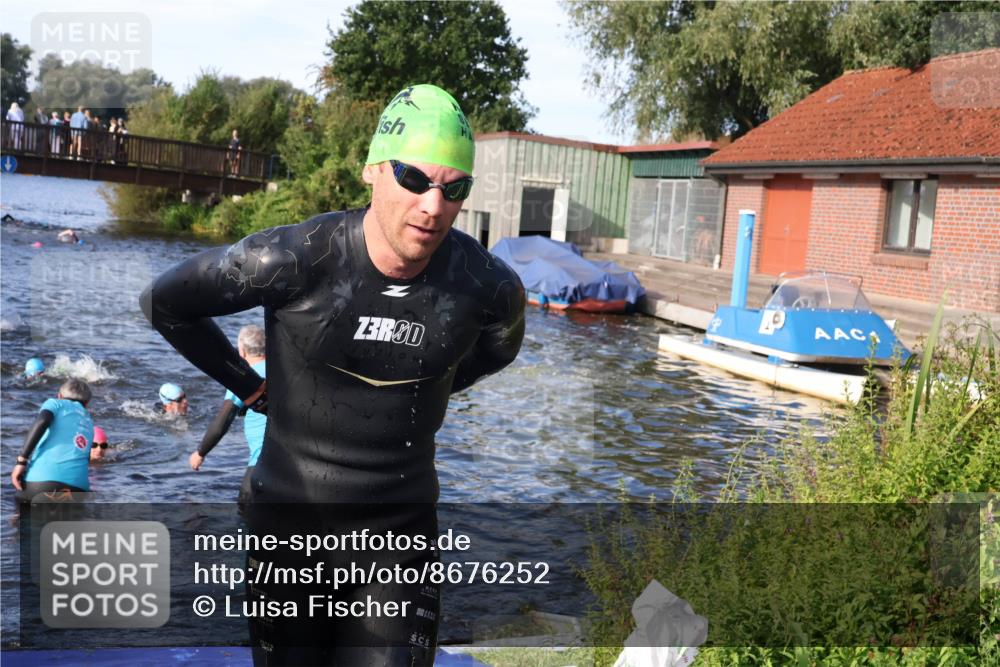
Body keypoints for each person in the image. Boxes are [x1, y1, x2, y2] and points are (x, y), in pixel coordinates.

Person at [143, 84, 525, 665]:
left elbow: (500, 350)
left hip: (399, 537)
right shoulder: (293, 259)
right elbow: (164, 304)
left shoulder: (488, 287)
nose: (433, 205)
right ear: (373, 171)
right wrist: (251, 387)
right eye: (415, 179)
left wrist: (436, 378)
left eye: (455, 189)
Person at [189, 325, 266, 505]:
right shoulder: (283, 370)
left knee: (245, 510)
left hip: (262, 460)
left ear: (242, 351)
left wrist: (201, 452)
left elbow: (224, 419)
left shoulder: (247, 378)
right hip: (294, 460)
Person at [11, 378, 95, 503]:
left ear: (59, 396)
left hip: (41, 484)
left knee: (19, 517)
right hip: (78, 489)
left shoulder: (55, 403)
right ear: (87, 403)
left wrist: (21, 461)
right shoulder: (89, 420)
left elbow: (43, 420)